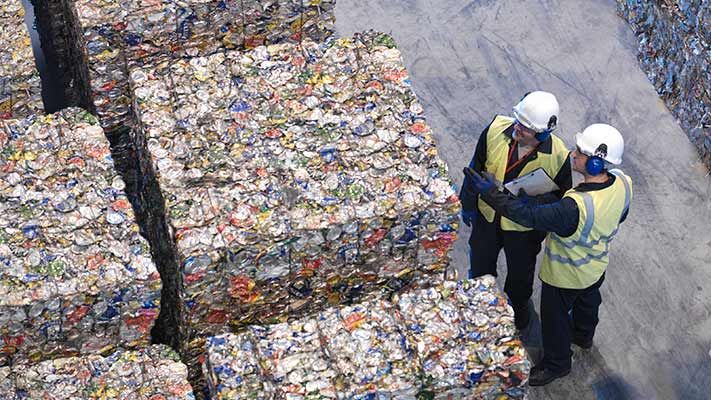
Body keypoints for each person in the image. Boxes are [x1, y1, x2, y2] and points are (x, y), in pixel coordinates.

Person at [463, 123, 632, 386]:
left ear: (597, 164)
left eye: (580, 153)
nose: (573, 155)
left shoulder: (574, 207)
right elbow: (621, 214)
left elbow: (528, 217)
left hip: (566, 274)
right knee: (588, 303)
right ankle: (584, 336)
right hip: (596, 264)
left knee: (554, 321)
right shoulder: (623, 182)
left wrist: (491, 193)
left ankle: (557, 363)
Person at [459, 91, 572, 330]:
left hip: (522, 230)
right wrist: (468, 204)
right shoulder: (495, 129)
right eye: (517, 121)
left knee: (520, 279)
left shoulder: (559, 157)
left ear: (542, 134)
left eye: (525, 128)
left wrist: (536, 204)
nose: (516, 129)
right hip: (487, 217)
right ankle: (480, 307)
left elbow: (561, 199)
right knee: (480, 267)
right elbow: (474, 167)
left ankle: (519, 310)